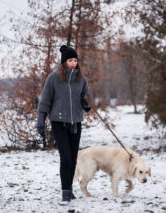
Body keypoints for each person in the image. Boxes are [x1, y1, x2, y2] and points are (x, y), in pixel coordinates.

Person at [36, 45, 92, 205]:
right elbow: (45, 100)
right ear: (64, 62)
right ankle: (65, 193)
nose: (73, 63)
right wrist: (41, 120)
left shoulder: (81, 79)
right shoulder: (53, 78)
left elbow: (88, 97)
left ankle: (70, 190)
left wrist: (86, 103)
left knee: (73, 159)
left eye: (75, 60)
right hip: (59, 123)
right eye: (70, 60)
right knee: (65, 158)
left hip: (76, 124)